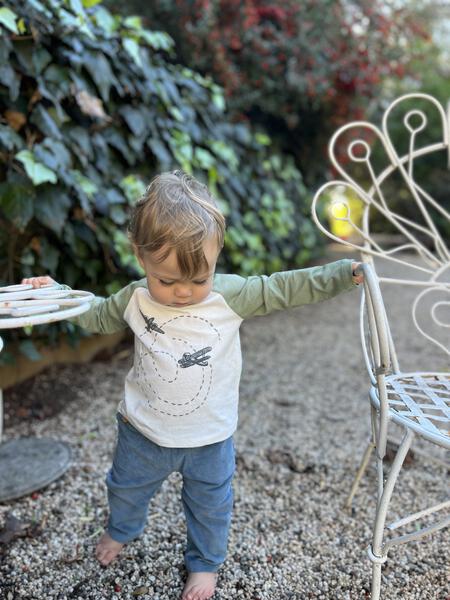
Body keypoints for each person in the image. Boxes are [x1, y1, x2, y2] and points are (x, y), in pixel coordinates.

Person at [23, 170, 363, 600]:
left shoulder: (230, 296)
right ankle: (121, 529)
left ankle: (204, 564)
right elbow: (92, 313)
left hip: (210, 437)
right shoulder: (133, 299)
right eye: (167, 280)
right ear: (140, 256)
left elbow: (285, 287)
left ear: (216, 257)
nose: (183, 292)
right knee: (123, 488)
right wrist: (55, 294)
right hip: (142, 432)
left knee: (210, 507)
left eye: (198, 280)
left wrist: (340, 275)